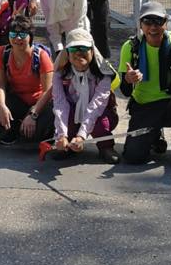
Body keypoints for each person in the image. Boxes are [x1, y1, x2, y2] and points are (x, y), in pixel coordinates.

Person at [118, 1, 171, 172]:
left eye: (158, 22)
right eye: (147, 22)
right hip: (143, 105)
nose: (153, 27)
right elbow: (124, 92)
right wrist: (128, 81)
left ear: (166, 24)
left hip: (170, 103)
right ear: (140, 25)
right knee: (133, 157)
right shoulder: (130, 48)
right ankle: (154, 135)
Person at [51, 28, 120, 164]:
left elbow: (96, 106)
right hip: (71, 111)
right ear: (67, 53)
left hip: (100, 112)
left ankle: (106, 146)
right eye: (73, 49)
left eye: (83, 48)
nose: (78, 53)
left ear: (92, 51)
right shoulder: (59, 73)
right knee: (65, 127)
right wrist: (61, 134)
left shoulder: (103, 74)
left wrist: (82, 136)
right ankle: (67, 144)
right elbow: (60, 103)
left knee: (100, 123)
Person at [0, 14, 54, 145]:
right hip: (17, 100)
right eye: (13, 34)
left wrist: (33, 115)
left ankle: (29, 126)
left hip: (39, 103)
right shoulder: (2, 53)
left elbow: (48, 92)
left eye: (22, 34)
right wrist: (2, 107)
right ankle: (14, 128)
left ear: (30, 36)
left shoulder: (41, 57)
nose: (17, 38)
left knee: (32, 138)